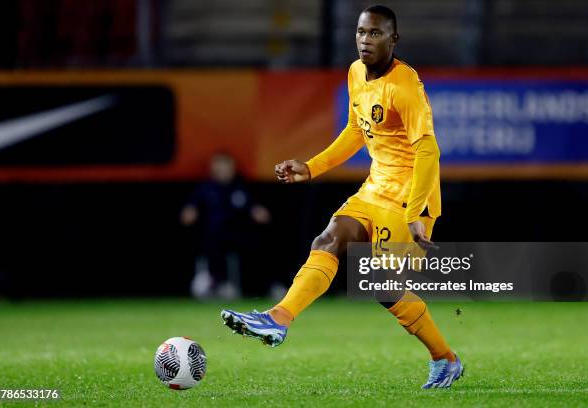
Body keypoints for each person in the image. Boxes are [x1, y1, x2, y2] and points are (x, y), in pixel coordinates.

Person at [221, 5, 463, 389]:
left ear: (393, 39)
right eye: (361, 32)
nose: (366, 40)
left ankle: (445, 358)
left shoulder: (405, 86)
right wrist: (312, 167)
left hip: (408, 197)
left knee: (384, 288)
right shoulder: (355, 72)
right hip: (374, 187)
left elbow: (428, 151)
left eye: (376, 34)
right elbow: (355, 129)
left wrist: (417, 212)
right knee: (330, 238)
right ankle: (279, 318)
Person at [181, 153, 270, 299]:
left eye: (226, 167)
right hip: (211, 236)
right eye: (219, 167)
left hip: (237, 235)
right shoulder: (204, 188)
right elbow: (189, 210)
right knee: (212, 243)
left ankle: (262, 287)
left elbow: (255, 209)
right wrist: (189, 212)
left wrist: (258, 212)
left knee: (255, 244)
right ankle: (215, 283)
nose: (222, 171)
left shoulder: (241, 187)